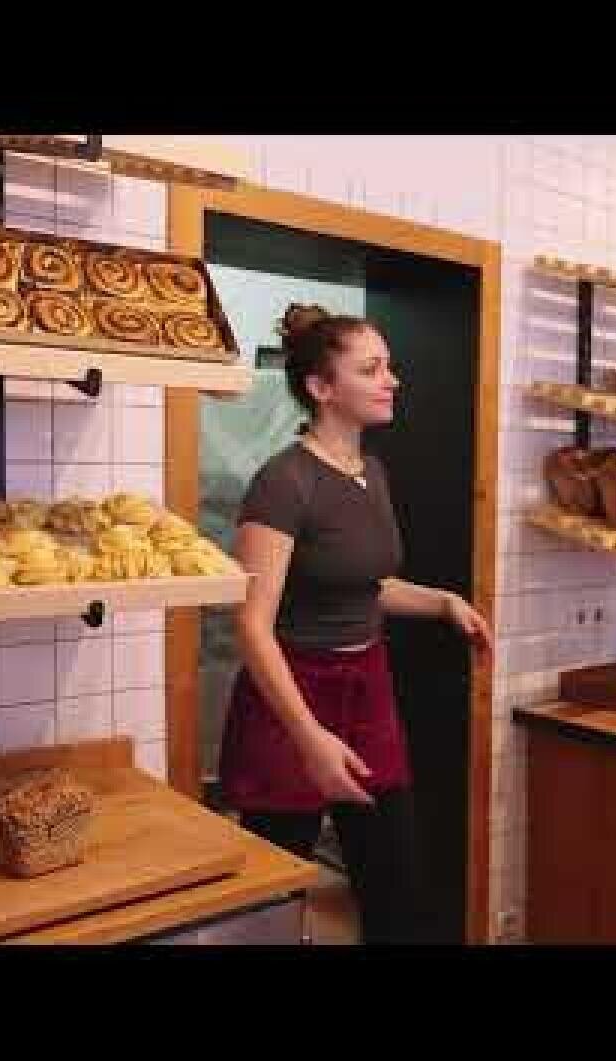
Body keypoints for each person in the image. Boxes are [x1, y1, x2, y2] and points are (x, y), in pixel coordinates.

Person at [219, 303, 491, 944]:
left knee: (395, 882)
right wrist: (309, 737)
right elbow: (251, 626)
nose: (391, 379)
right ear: (320, 387)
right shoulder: (284, 483)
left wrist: (443, 601)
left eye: (389, 365)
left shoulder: (372, 471)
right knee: (273, 907)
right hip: (290, 699)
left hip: (366, 690)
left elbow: (367, 586)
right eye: (371, 369)